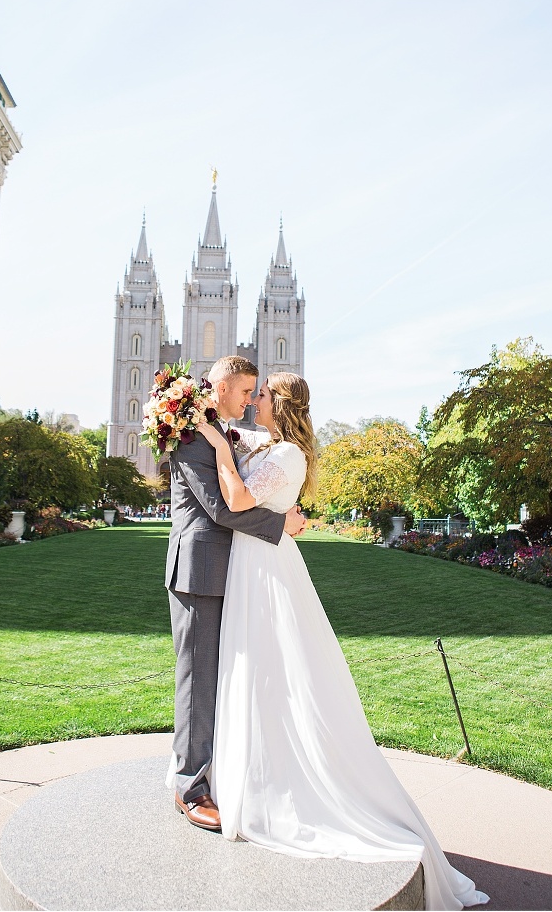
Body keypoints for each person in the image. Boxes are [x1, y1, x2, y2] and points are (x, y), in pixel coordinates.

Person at [192, 372, 489, 912]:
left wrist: (215, 445)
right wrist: (218, 432)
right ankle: (252, 775)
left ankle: (289, 786)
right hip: (251, 565)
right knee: (256, 675)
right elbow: (250, 471)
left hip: (266, 573)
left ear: (280, 405)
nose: (253, 400)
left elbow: (235, 499)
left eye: (261, 395)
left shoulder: (287, 456)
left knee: (276, 673)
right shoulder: (268, 446)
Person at [165, 355, 306, 833]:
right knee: (198, 681)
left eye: (256, 394)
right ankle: (189, 788)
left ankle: (214, 772)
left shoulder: (220, 433)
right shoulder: (192, 438)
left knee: (223, 679)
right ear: (221, 388)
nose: (249, 402)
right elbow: (221, 510)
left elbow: (268, 467)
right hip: (199, 571)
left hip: (231, 571)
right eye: (246, 391)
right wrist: (281, 523)